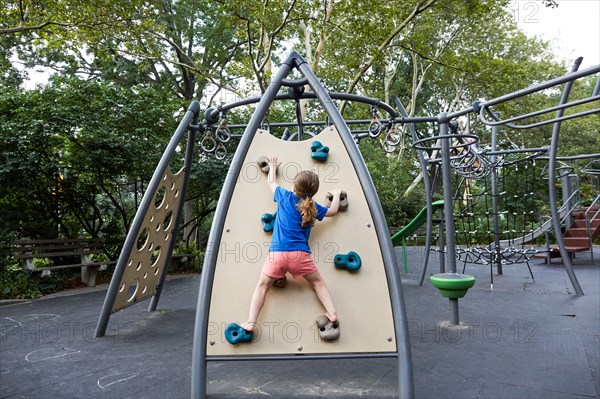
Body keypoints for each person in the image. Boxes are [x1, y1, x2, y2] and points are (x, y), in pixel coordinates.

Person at [241, 154, 342, 336]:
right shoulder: (314, 207)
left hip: (278, 255)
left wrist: (272, 166)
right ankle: (332, 312)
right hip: (300, 256)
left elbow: (271, 182)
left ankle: (250, 322)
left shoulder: (284, 196)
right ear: (313, 192)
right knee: (317, 283)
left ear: (294, 187)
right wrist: (335, 194)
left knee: (262, 287)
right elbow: (334, 211)